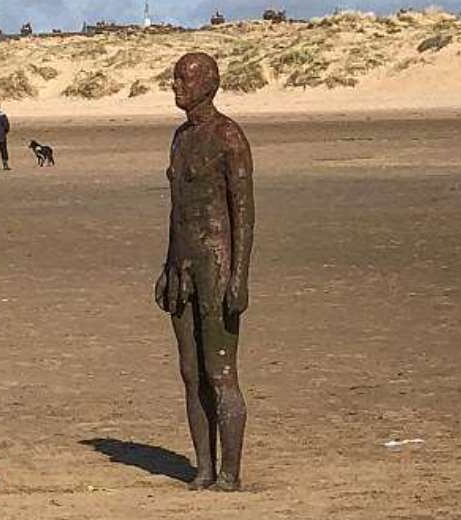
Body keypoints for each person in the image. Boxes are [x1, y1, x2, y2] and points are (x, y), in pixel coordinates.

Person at [154, 53, 255, 492]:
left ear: (208, 84)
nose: (175, 85)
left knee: (220, 373)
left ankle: (230, 473)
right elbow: (177, 211)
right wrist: (168, 266)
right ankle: (204, 468)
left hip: (217, 264)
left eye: (183, 78)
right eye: (175, 77)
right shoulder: (179, 138)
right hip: (184, 266)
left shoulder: (228, 136)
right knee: (190, 373)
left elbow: (244, 213)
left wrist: (239, 277)